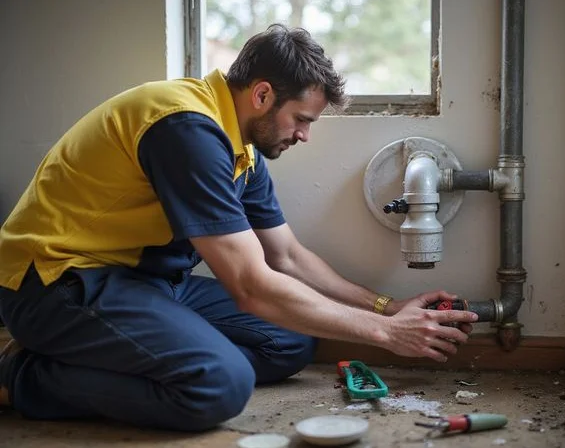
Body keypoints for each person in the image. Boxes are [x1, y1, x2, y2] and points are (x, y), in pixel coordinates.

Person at [0, 24, 478, 431]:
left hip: (142, 281)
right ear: (262, 94)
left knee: (290, 341)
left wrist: (388, 308)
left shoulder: (241, 150)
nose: (305, 135)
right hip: (56, 283)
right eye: (301, 119)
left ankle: (119, 357)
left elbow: (287, 257)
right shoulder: (186, 129)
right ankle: (19, 375)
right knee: (220, 386)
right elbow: (251, 286)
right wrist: (387, 334)